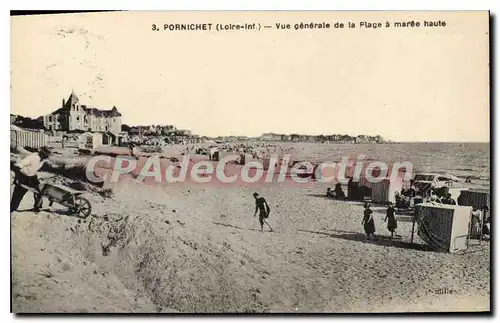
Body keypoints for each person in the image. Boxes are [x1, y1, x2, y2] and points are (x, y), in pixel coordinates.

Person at [11, 146, 51, 213]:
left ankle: (37, 208)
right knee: (18, 195)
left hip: (33, 177)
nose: (47, 157)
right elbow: (18, 165)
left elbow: (36, 167)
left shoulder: (42, 159)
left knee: (39, 192)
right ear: (41, 153)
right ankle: (12, 210)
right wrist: (18, 177)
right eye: (46, 155)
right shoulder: (33, 157)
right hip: (24, 178)